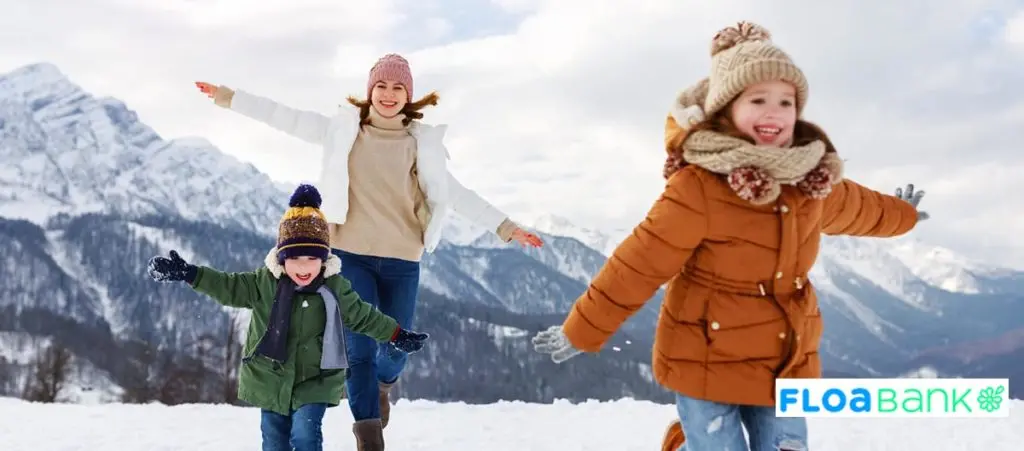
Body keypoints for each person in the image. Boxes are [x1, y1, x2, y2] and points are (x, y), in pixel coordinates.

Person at [531, 21, 929, 451]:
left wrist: (903, 214)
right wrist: (581, 330)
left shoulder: (810, 182)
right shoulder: (699, 188)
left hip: (786, 356)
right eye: (757, 100)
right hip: (705, 355)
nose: (774, 112)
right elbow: (638, 265)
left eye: (786, 101)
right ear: (727, 110)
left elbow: (861, 209)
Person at [193, 53, 543, 449]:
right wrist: (229, 97)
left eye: (397, 88)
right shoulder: (343, 131)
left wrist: (506, 227)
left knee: (395, 348)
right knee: (359, 350)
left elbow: (457, 194)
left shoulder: (420, 145)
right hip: (351, 255)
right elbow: (286, 117)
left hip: (402, 260)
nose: (388, 94)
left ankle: (384, 385)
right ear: (369, 91)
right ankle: (369, 435)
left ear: (408, 96)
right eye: (381, 86)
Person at [146, 183, 429, 451]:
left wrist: (396, 334)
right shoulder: (264, 283)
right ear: (282, 259)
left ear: (324, 259)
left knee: (306, 433)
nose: (303, 268)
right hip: (270, 378)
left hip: (315, 381)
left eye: (311, 259)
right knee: (274, 440)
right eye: (294, 259)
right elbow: (227, 286)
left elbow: (363, 316)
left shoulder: (334, 288)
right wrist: (190, 274)